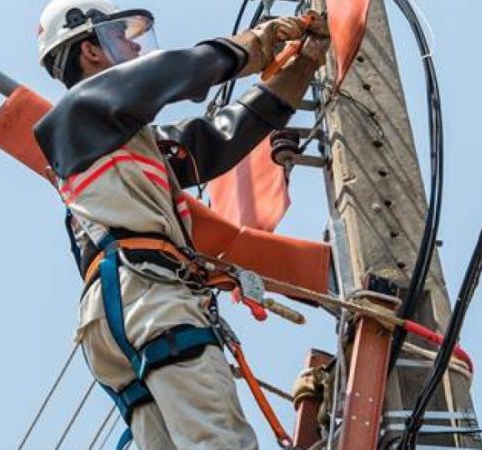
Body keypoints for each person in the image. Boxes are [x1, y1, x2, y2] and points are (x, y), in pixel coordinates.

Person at [34, 1, 329, 448]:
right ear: (90, 50)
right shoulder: (82, 111)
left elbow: (214, 142)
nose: (133, 45)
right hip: (147, 294)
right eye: (120, 36)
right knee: (218, 441)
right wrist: (255, 44)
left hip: (117, 314)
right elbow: (172, 72)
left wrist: (298, 69)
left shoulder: (118, 139)